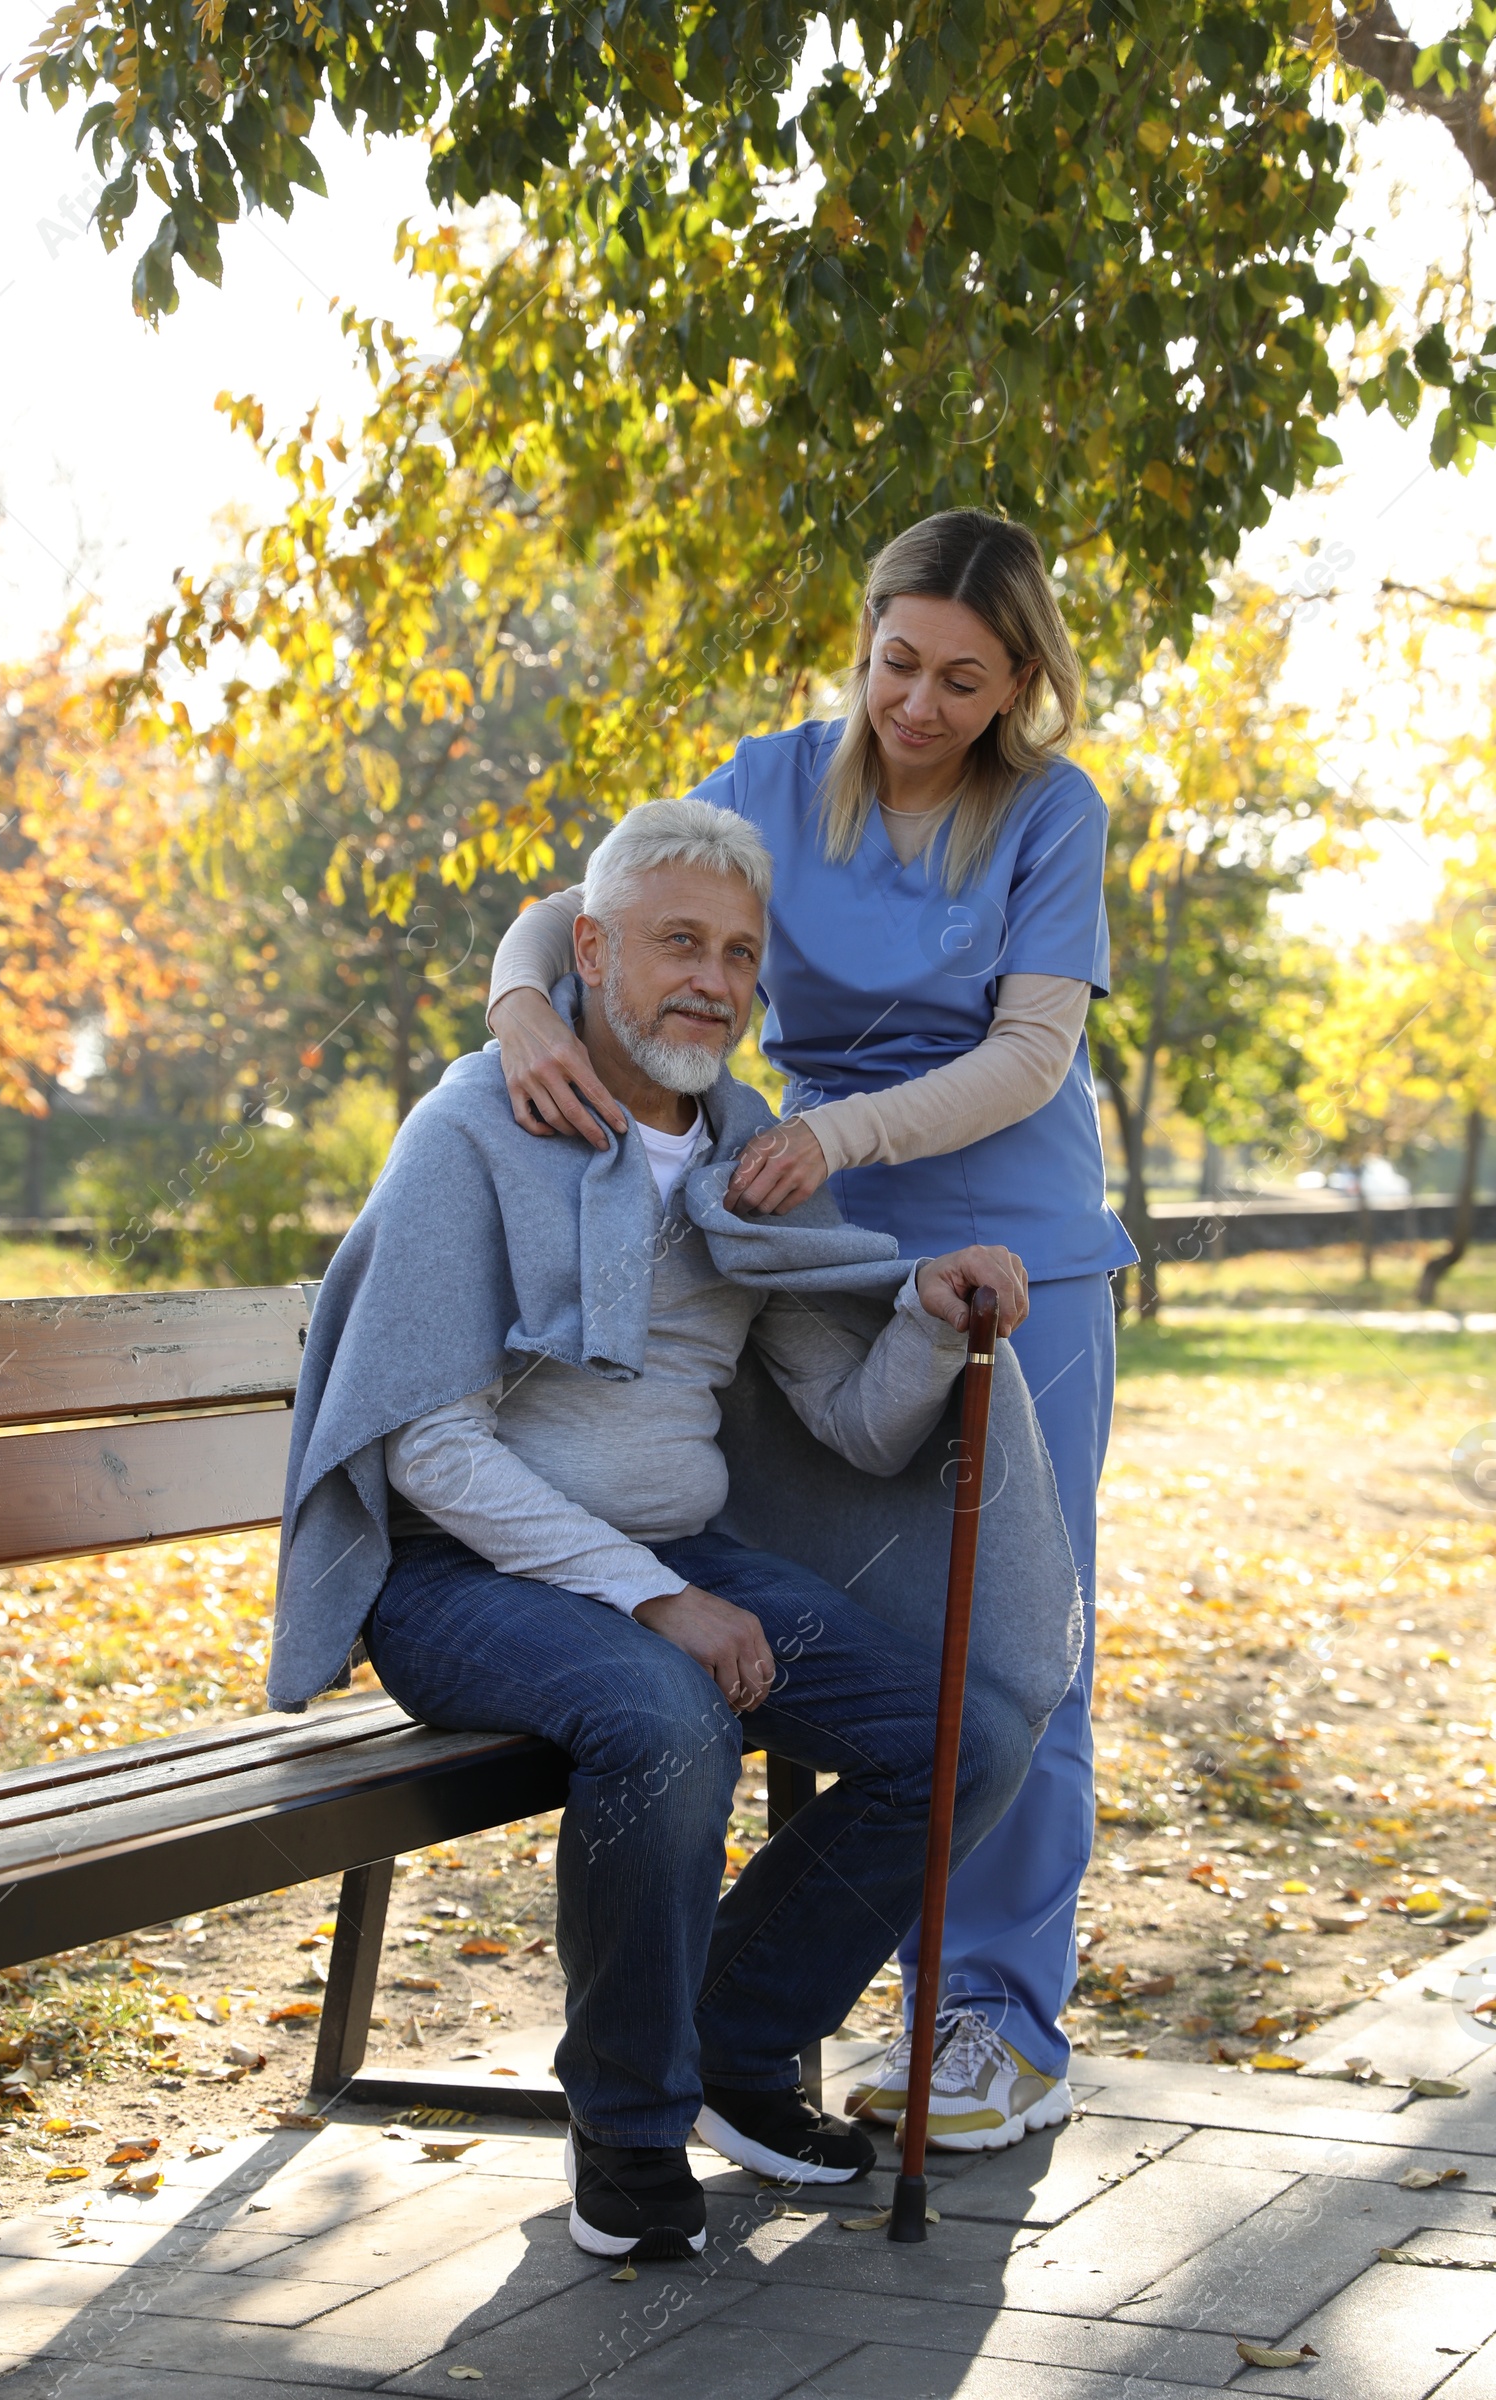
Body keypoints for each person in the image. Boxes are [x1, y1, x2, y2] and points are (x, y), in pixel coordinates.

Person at [273, 798, 1081, 2263]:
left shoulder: (741, 1151)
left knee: (967, 1727)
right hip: (462, 1578)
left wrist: (926, 1308)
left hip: (672, 1560)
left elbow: (846, 1422)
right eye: (675, 944)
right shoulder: (476, 1126)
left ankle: (741, 2045)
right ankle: (630, 2126)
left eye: (739, 954)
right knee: (669, 1717)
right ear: (588, 949)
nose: (712, 979)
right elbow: (430, 1449)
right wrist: (658, 1603)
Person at [486, 508, 1138, 2154]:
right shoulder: (768, 781)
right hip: (797, 1257)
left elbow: (1031, 1058)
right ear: (864, 639)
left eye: (964, 681)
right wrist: (516, 1015)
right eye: (897, 661)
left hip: (1012, 1255)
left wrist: (838, 1136)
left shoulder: (1050, 815)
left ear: (1017, 688)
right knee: (839, 1636)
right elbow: (584, 914)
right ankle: (777, 2018)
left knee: (1017, 1646)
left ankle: (993, 2020)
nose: (918, 704)